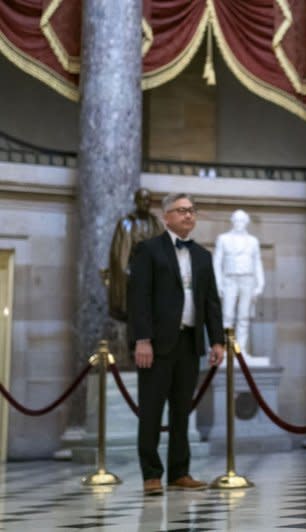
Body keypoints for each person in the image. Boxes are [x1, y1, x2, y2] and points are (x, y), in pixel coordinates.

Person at [128, 192, 225, 496]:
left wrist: (217, 340)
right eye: (182, 211)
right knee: (152, 411)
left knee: (182, 412)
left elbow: (211, 302)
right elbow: (138, 298)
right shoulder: (148, 250)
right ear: (166, 216)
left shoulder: (202, 256)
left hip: (189, 342)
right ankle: (151, 474)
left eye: (192, 211)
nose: (188, 216)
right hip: (156, 343)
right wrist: (142, 339)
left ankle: (179, 472)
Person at [212, 209, 265, 357]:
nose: (239, 223)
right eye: (236, 220)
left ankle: (239, 350)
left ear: (246, 222)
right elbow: (217, 262)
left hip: (247, 280)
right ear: (232, 221)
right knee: (227, 315)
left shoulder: (253, 241)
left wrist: (260, 284)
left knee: (244, 316)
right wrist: (218, 283)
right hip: (230, 279)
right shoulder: (223, 239)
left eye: (242, 220)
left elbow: (257, 263)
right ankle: (228, 349)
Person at [106, 188, 163, 321]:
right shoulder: (125, 224)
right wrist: (126, 270)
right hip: (132, 272)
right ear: (136, 201)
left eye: (148, 199)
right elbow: (117, 252)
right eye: (142, 199)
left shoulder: (156, 224)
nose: (146, 202)